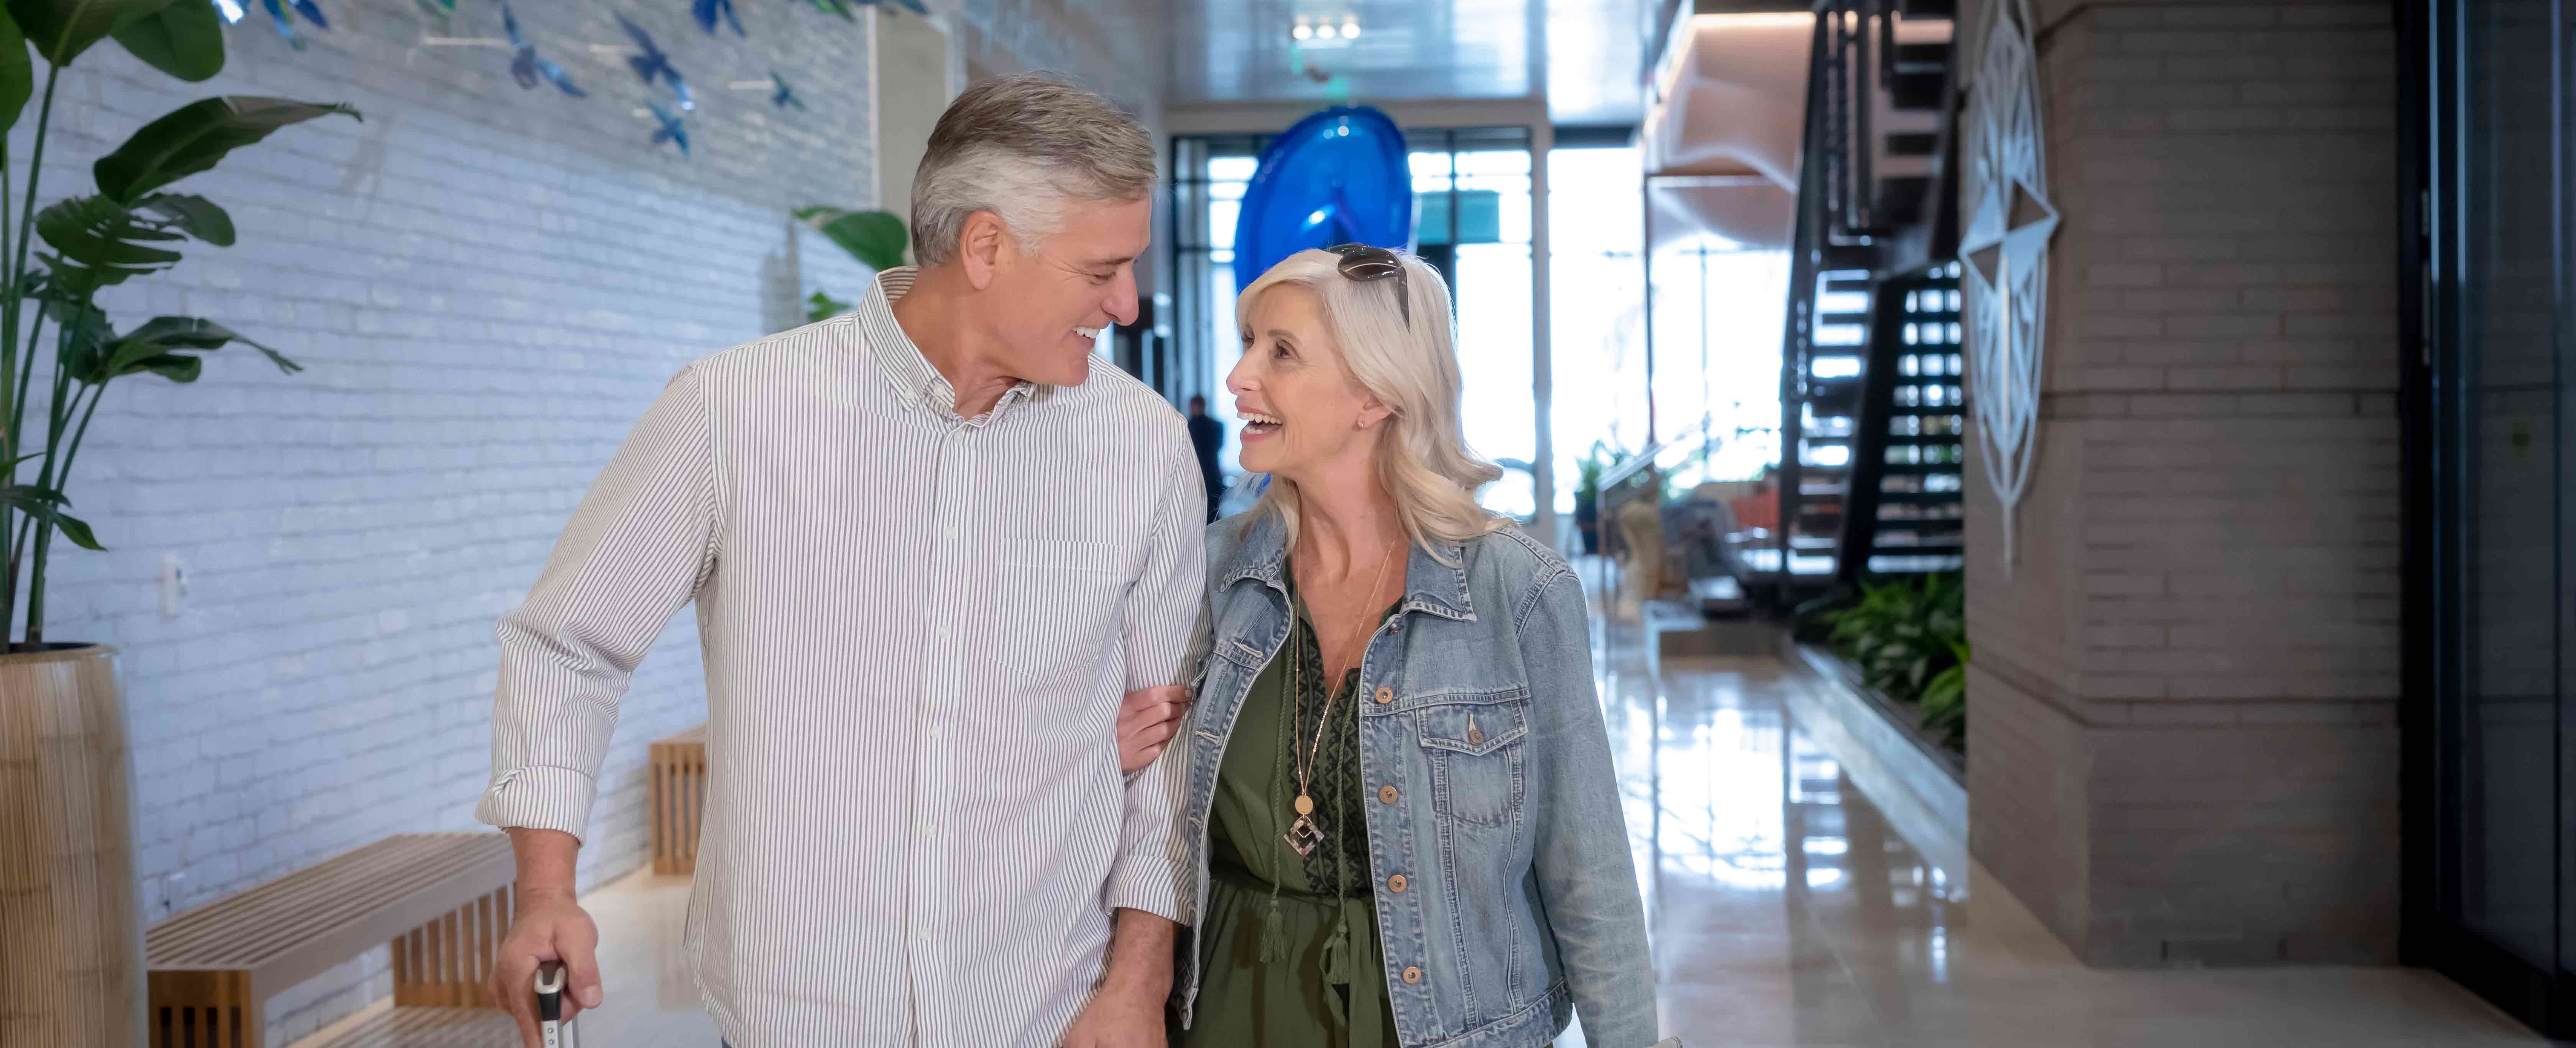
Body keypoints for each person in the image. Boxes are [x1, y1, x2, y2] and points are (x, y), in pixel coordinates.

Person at [475, 74, 1200, 1048]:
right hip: (794, 1012)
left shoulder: (1142, 445)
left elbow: (1167, 752)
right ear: (985, 246)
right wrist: (545, 888)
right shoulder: (735, 411)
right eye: (1099, 268)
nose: (1126, 301)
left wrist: (1136, 984)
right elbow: (568, 646)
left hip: (1045, 1009)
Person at [1168, 246, 1671, 1048]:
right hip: (1232, 1004)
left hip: (1450, 1021)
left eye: (1281, 351)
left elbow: (1589, 868)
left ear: (1374, 393)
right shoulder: (1210, 570)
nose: (1238, 375)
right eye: (1248, 341)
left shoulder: (1516, 588)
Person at [1186, 394, 1226, 522]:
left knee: (1195, 518)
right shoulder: (1217, 426)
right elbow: (1220, 446)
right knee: (1214, 515)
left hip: (1194, 476)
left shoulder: (1187, 427)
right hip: (1213, 475)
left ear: (1193, 406)